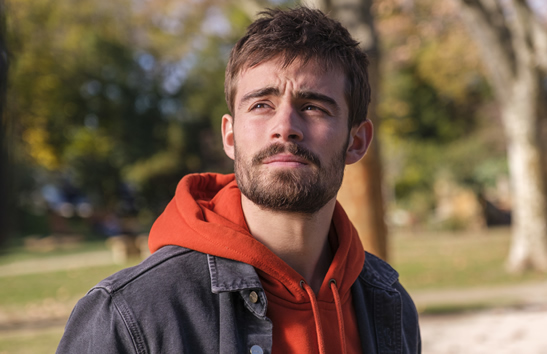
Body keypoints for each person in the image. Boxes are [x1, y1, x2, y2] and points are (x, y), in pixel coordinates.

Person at [57, 6, 421, 353]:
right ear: (230, 136)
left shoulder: (388, 304)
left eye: (313, 107)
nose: (285, 129)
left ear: (356, 142)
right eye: (261, 105)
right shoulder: (130, 314)